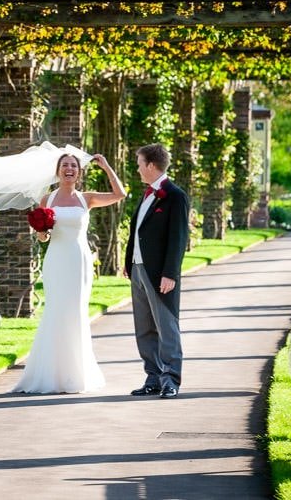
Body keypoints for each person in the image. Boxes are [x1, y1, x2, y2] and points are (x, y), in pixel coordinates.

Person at [12, 152, 125, 394]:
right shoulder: (47, 199)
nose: (69, 169)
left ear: (79, 172)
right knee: (55, 311)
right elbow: (43, 238)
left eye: (73, 165)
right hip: (56, 260)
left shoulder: (87, 199)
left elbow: (120, 194)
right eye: (65, 165)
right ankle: (49, 374)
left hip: (79, 260)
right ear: (58, 171)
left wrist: (106, 166)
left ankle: (76, 374)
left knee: (76, 312)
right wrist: (41, 232)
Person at [124, 143, 189, 399]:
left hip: (160, 273)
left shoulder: (174, 195)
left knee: (166, 327)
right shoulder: (147, 194)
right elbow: (137, 231)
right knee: (144, 328)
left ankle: (171, 379)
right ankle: (153, 377)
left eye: (139, 163)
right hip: (139, 270)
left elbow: (178, 238)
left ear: (151, 165)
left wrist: (170, 273)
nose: (138, 168)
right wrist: (129, 263)